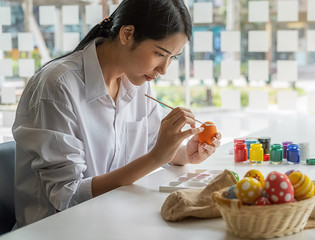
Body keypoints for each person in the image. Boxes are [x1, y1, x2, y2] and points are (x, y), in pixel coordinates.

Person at [11, 0, 221, 227]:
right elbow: (67, 197)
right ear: (127, 34)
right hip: (61, 230)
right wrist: (156, 158)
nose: (164, 70)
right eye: (160, 54)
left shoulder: (138, 85)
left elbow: (152, 144)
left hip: (116, 220)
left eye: (173, 58)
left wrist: (185, 153)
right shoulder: (57, 86)